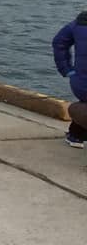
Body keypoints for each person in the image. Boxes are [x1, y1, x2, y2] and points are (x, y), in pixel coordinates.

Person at [51, 12, 87, 147]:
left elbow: (59, 42)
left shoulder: (80, 23)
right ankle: (76, 133)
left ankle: (76, 135)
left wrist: (66, 69)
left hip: (81, 84)